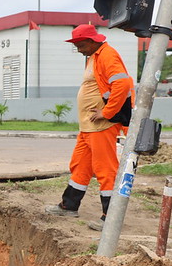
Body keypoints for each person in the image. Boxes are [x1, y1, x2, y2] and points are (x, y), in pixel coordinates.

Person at [45, 24, 135, 231]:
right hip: (88, 127)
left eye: (81, 44)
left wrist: (107, 112)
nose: (78, 49)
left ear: (93, 41)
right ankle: (69, 206)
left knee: (106, 169)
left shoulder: (107, 55)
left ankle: (111, 218)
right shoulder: (95, 56)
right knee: (80, 165)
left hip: (101, 125)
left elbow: (122, 84)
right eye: (76, 45)